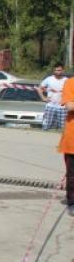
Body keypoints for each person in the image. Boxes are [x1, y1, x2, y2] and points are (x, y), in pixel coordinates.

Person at [58, 74, 74, 216]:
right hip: (72, 140)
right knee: (72, 175)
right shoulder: (70, 83)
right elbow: (70, 106)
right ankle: (72, 203)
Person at [41, 65, 68, 131]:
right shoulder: (49, 79)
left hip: (63, 107)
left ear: (62, 71)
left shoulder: (66, 80)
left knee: (64, 128)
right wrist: (43, 98)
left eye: (59, 70)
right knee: (46, 126)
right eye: (55, 70)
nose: (57, 72)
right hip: (50, 106)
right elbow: (40, 88)